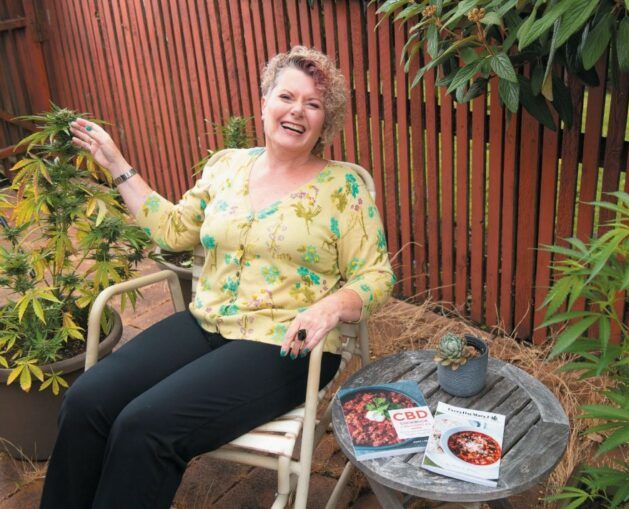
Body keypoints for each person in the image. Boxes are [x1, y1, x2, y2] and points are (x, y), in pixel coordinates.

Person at [40, 46, 394, 509]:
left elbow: (377, 276)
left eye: (313, 104)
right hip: (204, 323)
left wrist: (330, 307)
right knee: (86, 402)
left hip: (282, 344)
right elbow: (173, 229)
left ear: (326, 122)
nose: (296, 111)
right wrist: (114, 163)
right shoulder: (226, 166)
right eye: (287, 96)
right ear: (265, 101)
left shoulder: (343, 188)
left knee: (146, 427)